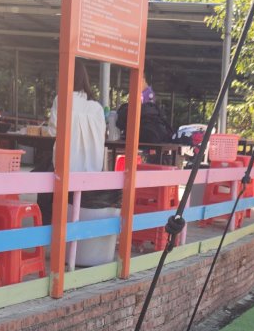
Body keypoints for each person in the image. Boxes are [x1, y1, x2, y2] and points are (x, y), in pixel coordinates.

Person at [41, 60, 112, 223]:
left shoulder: (62, 100)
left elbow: (52, 131)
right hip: (92, 173)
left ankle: (47, 226)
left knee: (40, 179)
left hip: (66, 171)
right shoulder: (97, 108)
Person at [115, 76, 176, 163]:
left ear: (143, 81)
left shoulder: (149, 94)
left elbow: (148, 110)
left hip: (148, 129)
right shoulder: (142, 93)